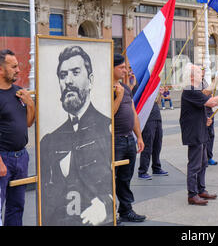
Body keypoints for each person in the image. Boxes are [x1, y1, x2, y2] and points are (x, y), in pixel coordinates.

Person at [39, 46, 113, 226]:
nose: (68, 81)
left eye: (75, 72)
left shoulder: (108, 128)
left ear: (90, 80)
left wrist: (106, 205)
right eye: (63, 75)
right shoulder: (49, 141)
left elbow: (116, 180)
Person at [180, 63, 218, 205]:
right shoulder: (190, 89)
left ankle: (200, 190)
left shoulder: (196, 89)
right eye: (199, 72)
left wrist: (206, 119)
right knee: (195, 164)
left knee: (203, 162)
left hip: (201, 128)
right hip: (193, 131)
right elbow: (211, 102)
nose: (202, 74)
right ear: (192, 77)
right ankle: (192, 194)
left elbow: (199, 108)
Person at [0, 49, 35, 226]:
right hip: (3, 158)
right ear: (1, 69)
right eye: (13, 67)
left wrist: (30, 105)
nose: (18, 70)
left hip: (21, 157)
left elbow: (28, 123)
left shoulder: (19, 92)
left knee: (17, 206)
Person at [113, 54, 146, 223]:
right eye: (122, 68)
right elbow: (107, 114)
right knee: (111, 178)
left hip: (128, 140)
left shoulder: (125, 88)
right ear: (112, 68)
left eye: (126, 67)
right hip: (114, 141)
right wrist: (117, 97)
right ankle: (109, 212)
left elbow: (133, 113)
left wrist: (139, 136)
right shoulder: (107, 89)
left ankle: (126, 210)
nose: (126, 71)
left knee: (125, 178)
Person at [134, 84, 168, 181]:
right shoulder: (140, 85)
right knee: (148, 145)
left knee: (158, 144)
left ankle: (156, 167)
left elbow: (156, 102)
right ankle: (142, 171)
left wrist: (160, 94)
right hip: (148, 119)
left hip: (157, 116)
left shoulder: (152, 84)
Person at [201, 68, 218, 165]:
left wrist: (213, 99)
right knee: (204, 135)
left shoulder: (204, 81)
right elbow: (205, 94)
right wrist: (215, 81)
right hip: (203, 112)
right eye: (201, 69)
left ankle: (209, 156)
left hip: (209, 111)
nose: (203, 71)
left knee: (211, 135)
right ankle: (203, 157)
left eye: (204, 69)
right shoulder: (195, 84)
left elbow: (209, 94)